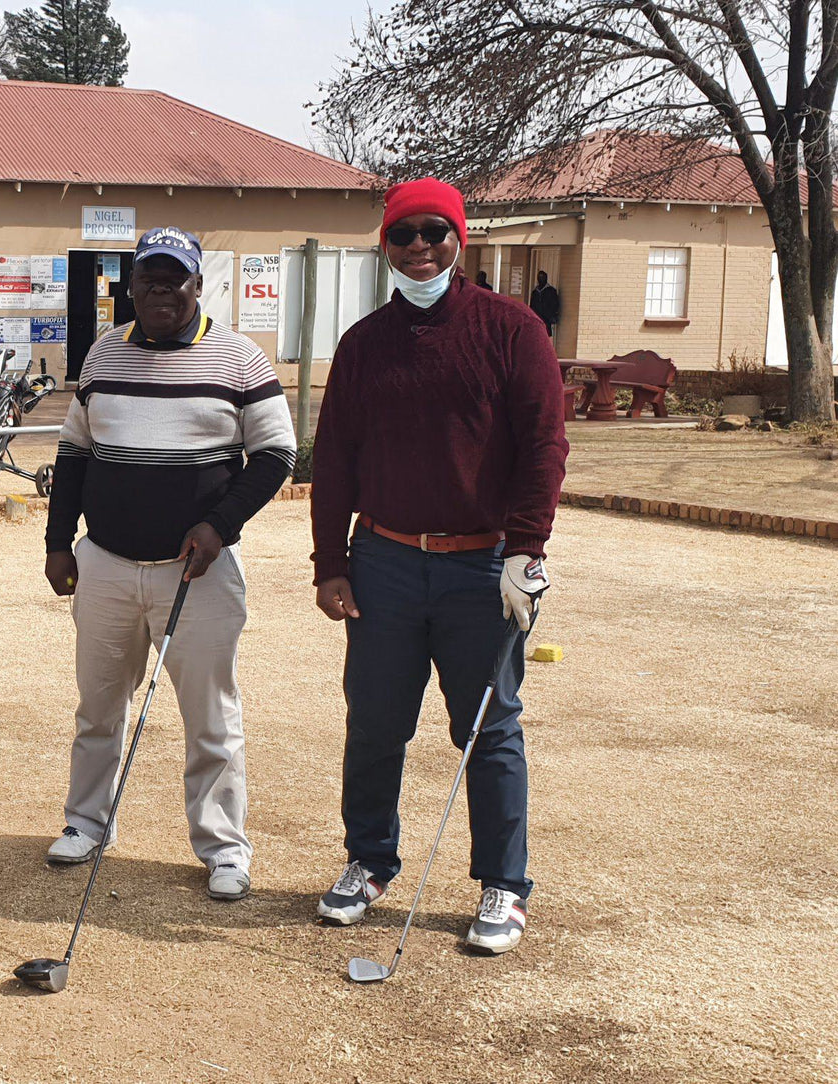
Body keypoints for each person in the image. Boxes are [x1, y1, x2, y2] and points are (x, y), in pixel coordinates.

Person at [309, 178, 568, 954]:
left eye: (433, 233)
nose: (418, 248)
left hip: (480, 566)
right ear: (383, 245)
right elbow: (336, 461)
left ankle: (502, 883)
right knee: (375, 723)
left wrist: (526, 550)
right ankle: (368, 859)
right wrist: (331, 563)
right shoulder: (363, 344)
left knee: (486, 729)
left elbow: (543, 449)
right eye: (403, 235)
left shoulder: (511, 330)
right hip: (384, 559)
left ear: (460, 241)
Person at [44, 226, 296, 901]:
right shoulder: (103, 352)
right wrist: (57, 541)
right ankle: (87, 823)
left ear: (197, 284)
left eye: (173, 279)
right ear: (131, 286)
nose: (159, 291)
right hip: (105, 563)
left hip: (199, 571)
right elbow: (73, 456)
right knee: (98, 707)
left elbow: (275, 454)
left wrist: (219, 524)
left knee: (211, 718)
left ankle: (222, 849)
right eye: (147, 279)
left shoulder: (239, 358)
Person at [529, 270, 560, 334]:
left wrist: (552, 316)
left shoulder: (551, 291)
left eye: (542, 277)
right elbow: (531, 305)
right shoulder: (535, 292)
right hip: (536, 318)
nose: (541, 279)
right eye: (539, 277)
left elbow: (555, 305)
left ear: (546, 278)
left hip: (547, 319)